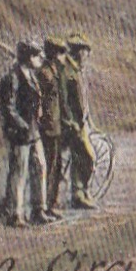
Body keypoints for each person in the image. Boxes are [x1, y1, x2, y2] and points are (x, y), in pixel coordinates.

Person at [0, 41, 50, 227]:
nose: (40, 58)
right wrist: (22, 125)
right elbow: (7, 108)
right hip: (20, 133)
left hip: (33, 131)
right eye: (37, 55)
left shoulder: (32, 76)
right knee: (19, 173)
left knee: (40, 167)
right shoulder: (12, 78)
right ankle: (16, 215)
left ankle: (39, 210)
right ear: (28, 57)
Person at [61, 33, 97, 209]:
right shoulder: (67, 71)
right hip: (71, 125)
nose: (86, 55)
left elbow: (82, 101)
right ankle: (79, 193)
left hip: (79, 123)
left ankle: (81, 192)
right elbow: (64, 101)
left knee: (81, 157)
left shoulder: (76, 70)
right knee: (88, 157)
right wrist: (72, 123)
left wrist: (87, 119)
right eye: (85, 51)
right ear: (77, 51)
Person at [36, 37, 67, 221]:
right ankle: (45, 206)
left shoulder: (54, 71)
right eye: (62, 52)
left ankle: (51, 204)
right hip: (48, 126)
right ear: (54, 54)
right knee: (48, 166)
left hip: (56, 125)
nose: (64, 57)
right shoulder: (45, 74)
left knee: (56, 166)